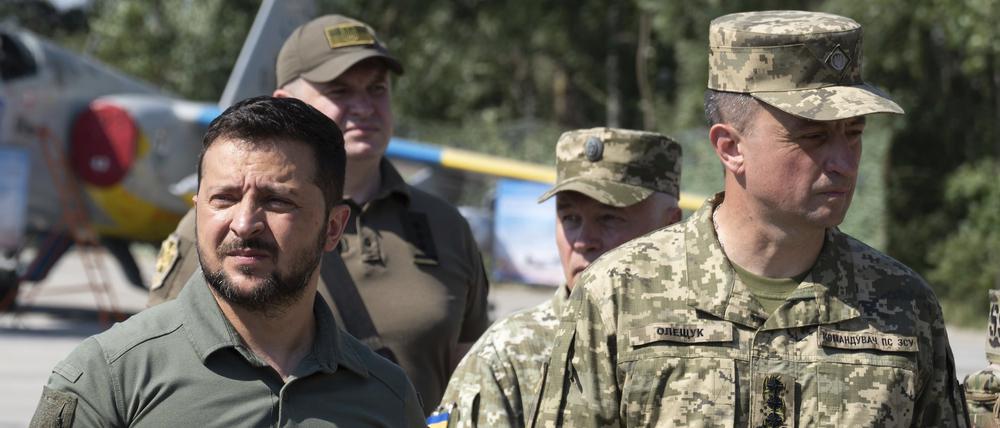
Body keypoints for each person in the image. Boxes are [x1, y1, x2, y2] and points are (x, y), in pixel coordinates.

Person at [531, 10, 969, 427]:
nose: (843, 162)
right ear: (731, 148)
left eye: (853, 134)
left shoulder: (904, 306)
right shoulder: (619, 295)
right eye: (813, 137)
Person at [147, 15, 490, 414]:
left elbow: (472, 376)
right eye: (340, 90)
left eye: (377, 89)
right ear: (285, 103)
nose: (365, 107)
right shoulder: (229, 227)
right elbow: (162, 359)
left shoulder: (444, 225)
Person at [29, 96, 425, 427]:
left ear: (333, 227)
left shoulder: (387, 397)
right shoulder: (110, 377)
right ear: (197, 210)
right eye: (224, 199)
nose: (244, 223)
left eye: (277, 201)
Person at [430, 128, 683, 427]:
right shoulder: (509, 354)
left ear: (670, 227)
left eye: (609, 218)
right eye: (570, 218)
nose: (583, 241)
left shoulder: (709, 345)